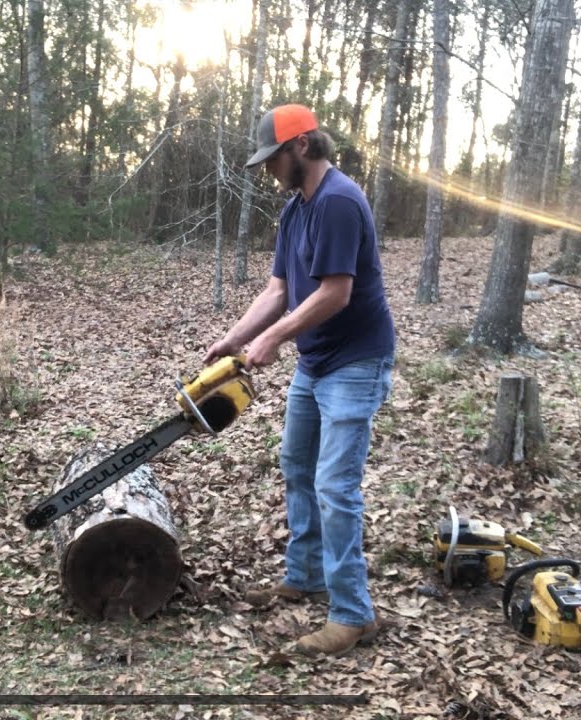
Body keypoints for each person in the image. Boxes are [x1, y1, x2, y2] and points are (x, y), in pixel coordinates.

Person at [203, 104, 397, 657]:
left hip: (357, 361)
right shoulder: (296, 210)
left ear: (303, 147)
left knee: (335, 486)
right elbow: (278, 290)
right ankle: (307, 574)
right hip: (315, 363)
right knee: (296, 464)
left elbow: (334, 292)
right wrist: (236, 338)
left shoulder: (338, 200)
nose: (269, 171)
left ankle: (353, 615)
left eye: (274, 158)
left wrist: (274, 340)